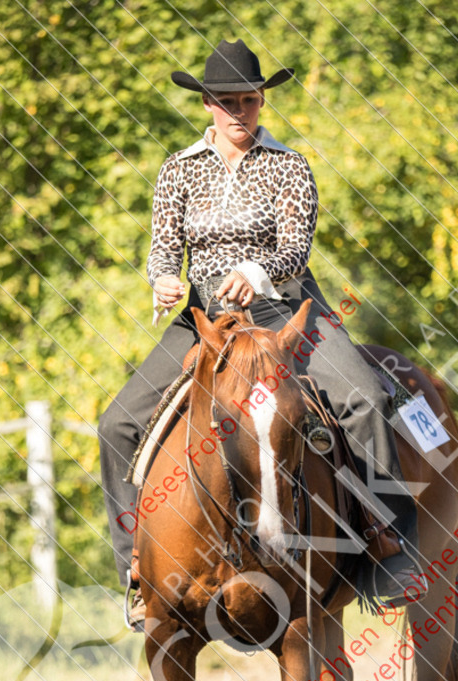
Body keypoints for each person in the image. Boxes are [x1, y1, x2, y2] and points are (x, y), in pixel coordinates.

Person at [98, 39, 420, 628]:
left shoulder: (289, 166)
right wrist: (163, 279)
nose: (238, 111)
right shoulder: (178, 170)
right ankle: (136, 570)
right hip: (207, 319)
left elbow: (295, 248)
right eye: (227, 101)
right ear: (207, 105)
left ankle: (391, 544)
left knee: (366, 397)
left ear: (262, 100)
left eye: (248, 99)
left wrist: (255, 273)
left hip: (284, 310)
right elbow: (164, 247)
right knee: (116, 423)